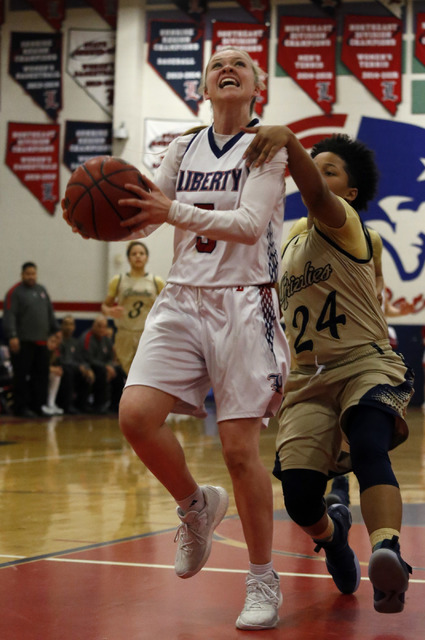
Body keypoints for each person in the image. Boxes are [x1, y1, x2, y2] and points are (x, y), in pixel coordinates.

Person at [63, 48, 290, 629]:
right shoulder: (182, 148)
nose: (228, 67)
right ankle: (196, 505)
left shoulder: (268, 147)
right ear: (205, 89)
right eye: (218, 64)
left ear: (256, 86)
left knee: (240, 452)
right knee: (136, 416)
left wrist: (171, 209)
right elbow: (146, 211)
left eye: (240, 63)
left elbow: (248, 224)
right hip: (183, 298)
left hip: (246, 302)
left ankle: (263, 578)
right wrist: (99, 217)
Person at [243, 128, 414, 613]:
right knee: (298, 496)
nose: (314, 175)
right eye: (312, 165)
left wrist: (289, 142)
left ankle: (388, 554)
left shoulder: (345, 221)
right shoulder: (287, 242)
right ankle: (335, 537)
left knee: (367, 443)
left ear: (351, 191)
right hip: (306, 376)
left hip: (364, 360)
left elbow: (314, 193)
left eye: (328, 169)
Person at [3, 262, 59, 417]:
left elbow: (49, 312)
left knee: (41, 375)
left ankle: (38, 406)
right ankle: (21, 407)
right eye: (28, 274)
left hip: (41, 342)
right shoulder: (14, 292)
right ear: (22, 275)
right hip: (23, 342)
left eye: (33, 273)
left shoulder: (42, 290)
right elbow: (10, 315)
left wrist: (56, 330)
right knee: (21, 376)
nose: (31, 276)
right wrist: (12, 335)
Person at [101, 241, 165, 375]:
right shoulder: (118, 280)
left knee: (146, 375)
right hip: (125, 333)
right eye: (134, 254)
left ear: (146, 257)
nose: (138, 256)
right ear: (128, 258)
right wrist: (109, 311)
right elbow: (105, 306)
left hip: (147, 332)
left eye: (141, 253)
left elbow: (168, 306)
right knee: (126, 376)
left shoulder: (156, 281)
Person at [80, 314, 125, 414]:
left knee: (119, 370)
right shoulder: (87, 337)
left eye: (104, 326)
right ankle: (99, 405)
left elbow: (110, 358)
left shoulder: (106, 339)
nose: (101, 329)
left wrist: (110, 366)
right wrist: (106, 367)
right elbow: (89, 359)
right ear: (93, 326)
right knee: (101, 371)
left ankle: (115, 404)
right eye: (99, 326)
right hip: (89, 366)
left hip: (104, 367)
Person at [57, 315, 95, 414]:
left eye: (71, 324)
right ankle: (67, 405)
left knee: (87, 373)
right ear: (61, 326)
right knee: (68, 371)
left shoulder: (75, 342)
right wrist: (78, 367)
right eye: (66, 324)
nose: (69, 327)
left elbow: (81, 359)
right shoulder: (59, 341)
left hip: (75, 368)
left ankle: (83, 404)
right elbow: (61, 360)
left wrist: (87, 368)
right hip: (63, 369)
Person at [41, 332, 65, 417]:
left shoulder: (55, 353)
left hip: (47, 374)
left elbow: (57, 366)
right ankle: (43, 404)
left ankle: (51, 403)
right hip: (37, 376)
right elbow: (38, 367)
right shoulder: (41, 351)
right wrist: (52, 369)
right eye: (51, 341)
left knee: (57, 375)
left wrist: (58, 370)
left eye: (55, 342)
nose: (53, 344)